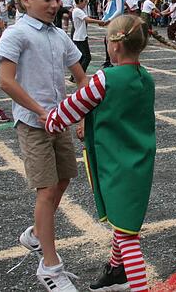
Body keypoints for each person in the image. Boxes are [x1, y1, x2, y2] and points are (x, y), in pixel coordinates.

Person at [45, 15, 155, 292]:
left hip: (115, 163)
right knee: (123, 223)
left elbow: (67, 111)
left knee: (129, 235)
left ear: (114, 46)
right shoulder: (146, 78)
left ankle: (139, 286)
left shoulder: (106, 78)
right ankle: (115, 272)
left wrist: (49, 121)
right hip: (139, 160)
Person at [0, 0, 87, 291]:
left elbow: (81, 77)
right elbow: (6, 81)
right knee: (46, 190)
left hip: (59, 120)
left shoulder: (59, 35)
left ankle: (36, 234)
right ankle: (50, 267)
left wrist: (83, 116)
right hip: (34, 123)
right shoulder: (17, 33)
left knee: (64, 178)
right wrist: (41, 111)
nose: (54, 5)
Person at [72, 0, 107, 74]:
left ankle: (75, 75)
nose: (86, 4)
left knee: (82, 57)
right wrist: (100, 21)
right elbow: (87, 19)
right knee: (87, 57)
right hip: (80, 37)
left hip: (80, 36)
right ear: (80, 1)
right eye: (84, 2)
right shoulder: (77, 11)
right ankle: (79, 74)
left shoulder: (79, 10)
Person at [101, 0, 127, 68]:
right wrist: (104, 18)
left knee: (113, 40)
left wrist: (109, 19)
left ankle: (112, 59)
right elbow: (109, 9)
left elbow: (119, 10)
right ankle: (108, 59)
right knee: (107, 40)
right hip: (111, 20)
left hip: (116, 21)